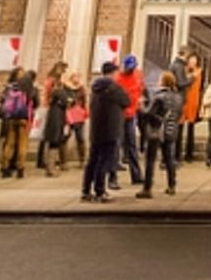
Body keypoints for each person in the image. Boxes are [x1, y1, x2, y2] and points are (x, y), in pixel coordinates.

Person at [82, 61, 129, 203]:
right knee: (104, 161)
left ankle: (86, 191)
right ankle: (100, 191)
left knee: (92, 161)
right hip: (110, 129)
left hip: (96, 130)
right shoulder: (114, 88)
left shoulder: (95, 88)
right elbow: (126, 101)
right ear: (113, 73)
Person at [139, 71, 183, 198]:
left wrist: (141, 105)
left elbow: (148, 113)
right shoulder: (178, 97)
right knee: (169, 159)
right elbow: (179, 114)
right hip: (172, 130)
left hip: (157, 130)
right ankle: (171, 185)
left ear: (163, 82)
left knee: (150, 160)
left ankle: (147, 189)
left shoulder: (159, 97)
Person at [113, 55, 145, 188]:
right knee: (116, 146)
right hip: (119, 115)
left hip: (131, 114)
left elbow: (140, 90)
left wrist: (139, 102)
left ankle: (136, 175)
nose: (130, 70)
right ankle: (112, 178)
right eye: (129, 68)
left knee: (132, 145)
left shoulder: (137, 76)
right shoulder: (118, 79)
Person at [0, 67, 35, 178]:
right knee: (22, 144)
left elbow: (3, 100)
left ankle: (5, 167)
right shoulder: (31, 89)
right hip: (24, 118)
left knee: (10, 143)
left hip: (12, 117)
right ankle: (20, 169)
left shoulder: (12, 87)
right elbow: (36, 103)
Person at [40, 70, 71, 177]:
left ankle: (50, 167)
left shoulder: (54, 92)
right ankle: (51, 168)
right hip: (57, 120)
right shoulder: (59, 91)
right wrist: (69, 101)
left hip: (54, 119)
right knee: (54, 143)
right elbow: (67, 101)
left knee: (53, 144)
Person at [169, 48, 196, 162]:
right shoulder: (179, 66)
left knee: (174, 128)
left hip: (175, 99)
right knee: (176, 129)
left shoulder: (174, 65)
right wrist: (192, 78)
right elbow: (180, 83)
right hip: (178, 100)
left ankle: (173, 157)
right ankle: (174, 157)